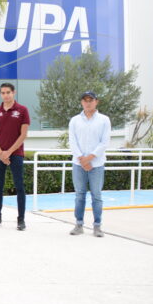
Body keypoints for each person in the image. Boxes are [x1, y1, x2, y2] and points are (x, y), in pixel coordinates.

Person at [68, 91, 111, 238]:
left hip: (96, 164)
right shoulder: (74, 120)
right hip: (78, 164)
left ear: (96, 102)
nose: (88, 103)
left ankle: (97, 226)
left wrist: (90, 158)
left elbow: (104, 142)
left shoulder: (104, 120)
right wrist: (82, 159)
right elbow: (72, 141)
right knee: (79, 195)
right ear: (81, 102)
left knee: (96, 195)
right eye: (85, 100)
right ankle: (79, 225)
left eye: (90, 100)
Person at [0, 82, 30, 230]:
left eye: (8, 92)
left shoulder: (22, 110)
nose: (6, 95)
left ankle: (21, 220)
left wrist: (9, 152)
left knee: (19, 186)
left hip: (16, 154)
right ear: (0, 94)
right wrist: (1, 153)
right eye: (3, 93)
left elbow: (23, 135)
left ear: (14, 93)